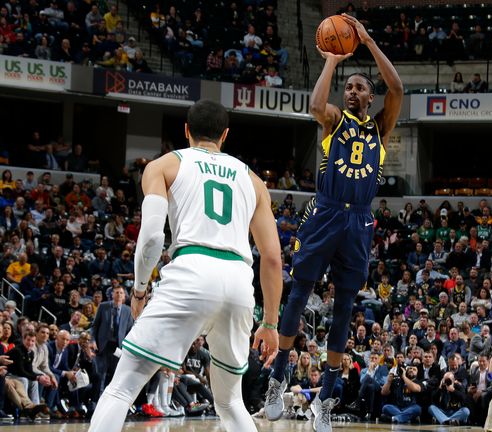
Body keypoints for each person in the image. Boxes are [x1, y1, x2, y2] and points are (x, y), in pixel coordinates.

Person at [87, 100, 283, 432]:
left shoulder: (164, 165)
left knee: (121, 388)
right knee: (230, 402)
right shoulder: (254, 181)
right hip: (239, 281)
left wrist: (138, 291)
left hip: (192, 271)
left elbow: (150, 237)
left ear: (187, 130)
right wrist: (271, 323)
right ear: (225, 135)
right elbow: (274, 259)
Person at [263, 13, 403, 432]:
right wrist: (331, 61)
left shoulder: (380, 127)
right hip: (324, 211)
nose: (353, 91)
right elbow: (312, 105)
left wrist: (368, 42)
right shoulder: (334, 120)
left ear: (371, 97)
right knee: (300, 290)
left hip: (359, 223)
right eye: (349, 87)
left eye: (360, 87)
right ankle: (278, 374)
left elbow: (396, 87)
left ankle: (325, 397)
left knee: (344, 307)